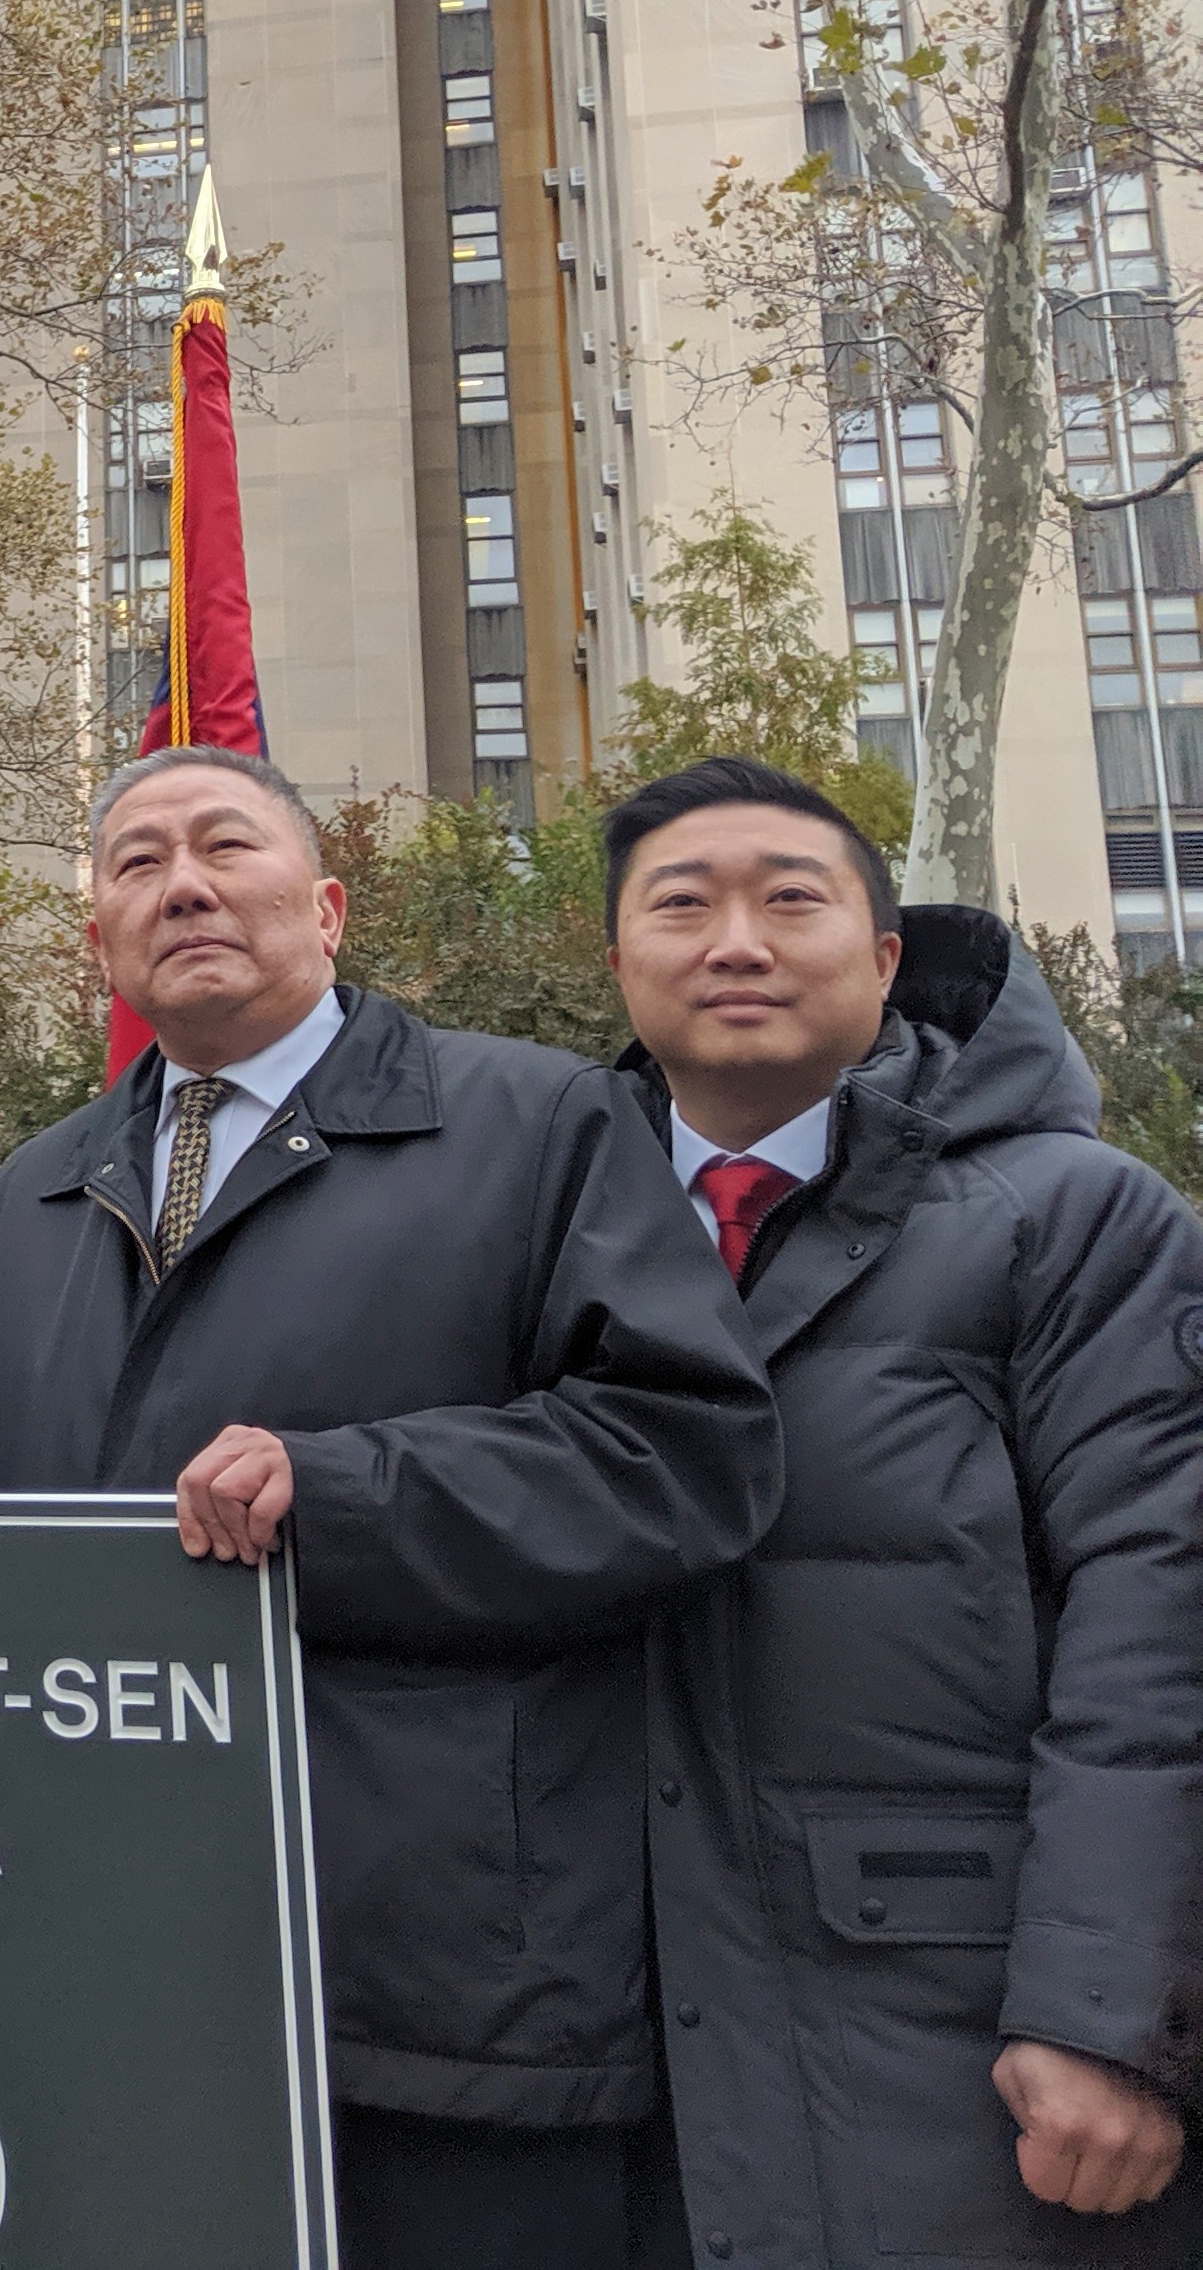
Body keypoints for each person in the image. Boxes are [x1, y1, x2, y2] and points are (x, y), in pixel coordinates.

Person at [0, 744, 781, 2270]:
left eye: (226, 845)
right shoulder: (46, 1182)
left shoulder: (537, 1125)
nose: (185, 885)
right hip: (117, 1946)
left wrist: (337, 1493)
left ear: (328, 907)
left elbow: (683, 1455)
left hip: (438, 1970)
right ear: (101, 944)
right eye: (137, 866)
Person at [604, 756, 1201, 2262]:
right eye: (683, 904)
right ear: (620, 964)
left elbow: (1161, 1610)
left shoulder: (1073, 1218)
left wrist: (1113, 2015)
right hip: (637, 2043)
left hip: (972, 2035)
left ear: (883, 957)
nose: (735, 939)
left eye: (789, 900)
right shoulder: (550, 1226)